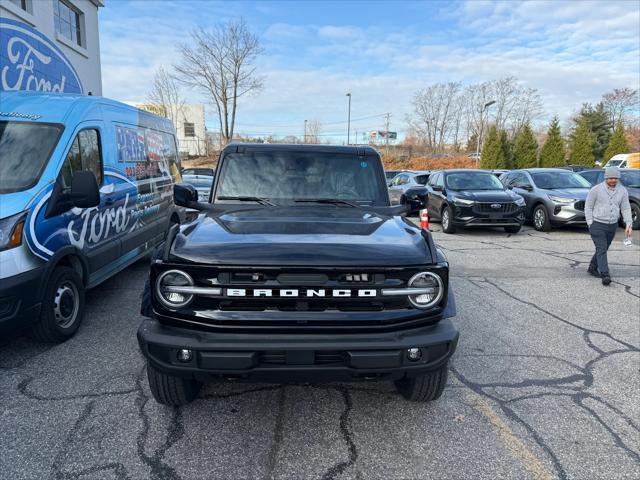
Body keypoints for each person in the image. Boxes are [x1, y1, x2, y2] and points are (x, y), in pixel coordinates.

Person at [585, 166, 633, 285]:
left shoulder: (622, 191)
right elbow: (588, 207)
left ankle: (592, 266)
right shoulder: (596, 190)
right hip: (597, 224)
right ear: (606, 177)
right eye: (611, 178)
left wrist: (629, 224)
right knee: (601, 248)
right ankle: (605, 274)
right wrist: (590, 223)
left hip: (612, 225)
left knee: (603, 248)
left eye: (616, 178)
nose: (613, 180)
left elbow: (626, 208)